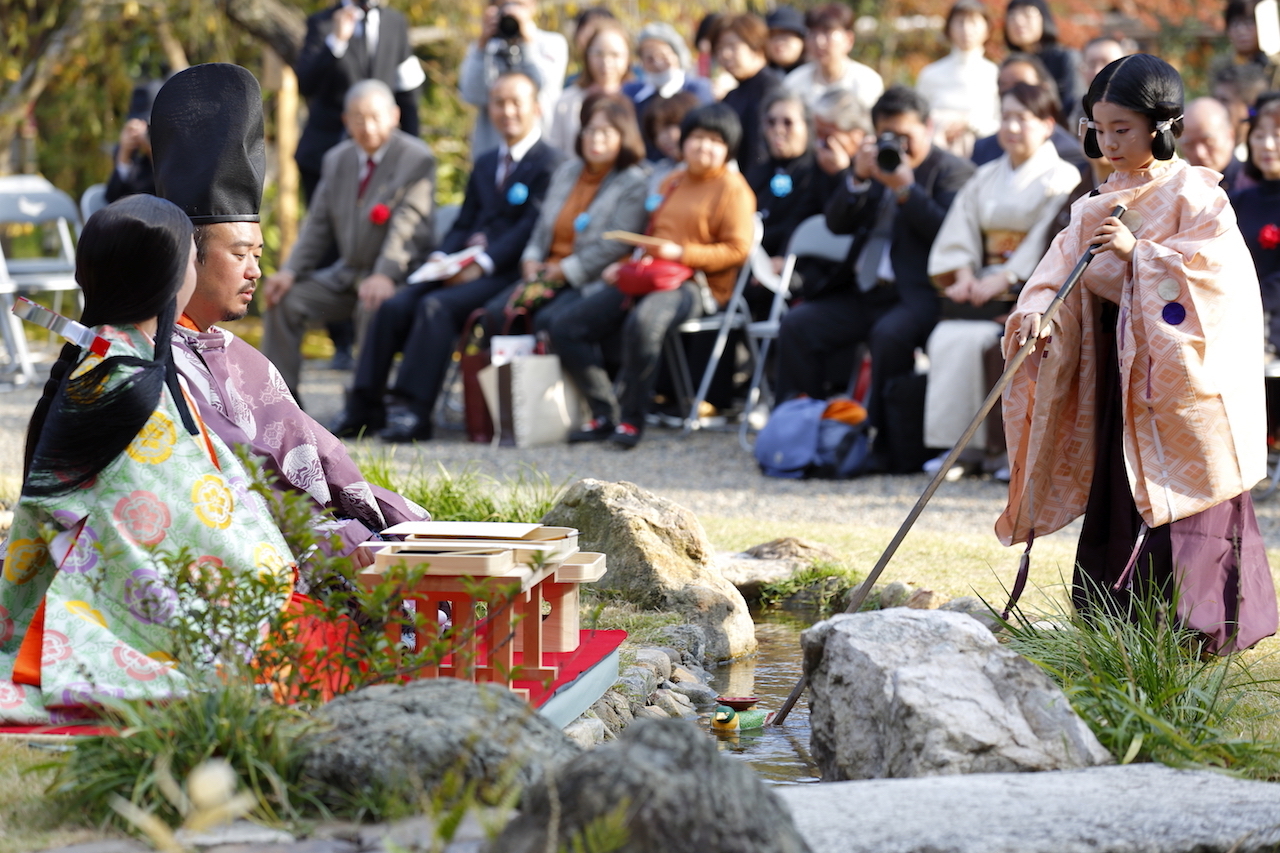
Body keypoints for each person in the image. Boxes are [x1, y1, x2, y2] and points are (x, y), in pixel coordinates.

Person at [999, 54, 1277, 654]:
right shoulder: (1094, 201)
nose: (1108, 142)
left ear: (1159, 125)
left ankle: (1193, 628)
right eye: (1098, 129)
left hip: (1179, 387)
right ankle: (1111, 621)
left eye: (1121, 129)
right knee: (1118, 495)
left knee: (1184, 504)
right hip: (1117, 378)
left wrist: (1140, 255)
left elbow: (1217, 285)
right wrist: (1039, 315)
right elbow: (1053, 276)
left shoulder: (1199, 196)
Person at [0, 194, 295, 724]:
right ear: (168, 277)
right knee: (311, 650)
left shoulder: (104, 361)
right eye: (190, 258)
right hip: (80, 618)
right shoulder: (125, 378)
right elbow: (200, 532)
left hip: (64, 596)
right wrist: (271, 563)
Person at [151, 63, 430, 568]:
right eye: (240, 255)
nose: (255, 270)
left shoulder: (241, 357)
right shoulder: (146, 358)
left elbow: (315, 453)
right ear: (185, 255)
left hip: (384, 275)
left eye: (259, 254)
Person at [335, 71, 563, 442]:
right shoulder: (487, 161)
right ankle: (364, 407)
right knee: (393, 304)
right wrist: (442, 257)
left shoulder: (551, 164)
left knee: (435, 307)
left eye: (515, 103)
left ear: (535, 108)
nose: (506, 111)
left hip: (507, 272)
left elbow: (530, 229)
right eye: (499, 103)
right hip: (463, 265)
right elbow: (465, 220)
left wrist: (480, 265)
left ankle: (412, 410)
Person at [774, 86, 975, 473]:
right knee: (799, 324)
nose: (896, 146)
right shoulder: (873, 165)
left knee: (890, 335)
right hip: (861, 290)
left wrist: (905, 188)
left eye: (905, 137)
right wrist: (857, 179)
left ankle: (885, 446)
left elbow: (948, 233)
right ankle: (803, 432)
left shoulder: (952, 171)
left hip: (916, 295)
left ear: (928, 127)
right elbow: (836, 223)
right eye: (888, 137)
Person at [550, 103, 755, 449]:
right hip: (650, 275)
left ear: (729, 148)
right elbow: (652, 233)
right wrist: (626, 263)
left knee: (644, 324)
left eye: (715, 141)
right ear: (684, 141)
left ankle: (632, 419)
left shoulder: (733, 189)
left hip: (696, 286)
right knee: (566, 326)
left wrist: (684, 254)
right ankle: (604, 412)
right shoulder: (672, 180)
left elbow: (737, 250)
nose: (704, 147)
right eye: (697, 138)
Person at [923, 82, 1080, 478]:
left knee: (988, 343)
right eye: (1005, 117)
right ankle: (961, 449)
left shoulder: (1061, 177)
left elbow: (1052, 237)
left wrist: (1009, 276)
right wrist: (961, 273)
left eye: (1021, 119)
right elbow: (962, 227)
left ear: (1047, 125)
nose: (1011, 127)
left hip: (1030, 288)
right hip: (982, 285)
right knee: (947, 338)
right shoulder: (986, 175)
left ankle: (1003, 450)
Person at [260, 79, 436, 399]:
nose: (367, 126)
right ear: (345, 121)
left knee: (374, 301)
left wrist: (385, 274)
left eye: (375, 117)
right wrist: (289, 271)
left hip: (398, 274)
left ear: (394, 116)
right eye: (357, 117)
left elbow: (408, 229)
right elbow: (318, 225)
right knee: (283, 299)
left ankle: (365, 401)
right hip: (346, 271)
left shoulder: (415, 157)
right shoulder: (336, 160)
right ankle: (281, 400)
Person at [482, 93, 649, 337]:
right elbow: (542, 227)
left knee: (548, 321)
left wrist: (564, 270)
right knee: (495, 314)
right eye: (590, 131)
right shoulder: (567, 171)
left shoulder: (633, 183)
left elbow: (613, 245)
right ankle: (509, 377)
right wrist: (530, 260)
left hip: (586, 279)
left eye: (606, 133)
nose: (596, 140)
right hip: (545, 272)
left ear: (624, 138)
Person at [295, 0, 424, 203]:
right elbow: (307, 84)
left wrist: (412, 149)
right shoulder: (323, 22)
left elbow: (407, 91)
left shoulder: (395, 22)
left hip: (381, 154)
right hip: (326, 152)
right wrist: (335, 42)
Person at [747, 91, 831, 302]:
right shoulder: (760, 170)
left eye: (788, 122)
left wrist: (783, 259)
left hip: (801, 266)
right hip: (756, 258)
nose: (778, 130)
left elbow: (803, 225)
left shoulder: (817, 170)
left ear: (807, 127)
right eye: (771, 122)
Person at [459, 0, 569, 159]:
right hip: (492, 155)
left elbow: (542, 88)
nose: (511, 11)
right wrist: (482, 45)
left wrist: (527, 44)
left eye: (518, 4)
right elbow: (472, 94)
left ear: (533, 6)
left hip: (538, 157)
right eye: (504, 5)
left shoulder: (551, 43)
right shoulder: (483, 48)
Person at [971, 54, 1089, 174]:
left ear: (1044, 87)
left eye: (1021, 85)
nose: (1012, 92)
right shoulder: (983, 148)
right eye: (1003, 85)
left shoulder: (1069, 153)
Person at [916, 0, 1000, 158]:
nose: (966, 29)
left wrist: (969, 125)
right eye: (960, 22)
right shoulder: (930, 74)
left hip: (985, 155)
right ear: (949, 29)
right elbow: (918, 120)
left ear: (987, 29)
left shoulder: (995, 74)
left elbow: (1001, 122)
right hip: (936, 156)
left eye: (974, 22)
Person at [1230, 92, 1280, 355]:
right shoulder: (1235, 202)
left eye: (1278, 136)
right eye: (1260, 136)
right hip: (1240, 333)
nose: (1267, 145)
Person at [623, 23, 714, 161]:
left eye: (664, 56)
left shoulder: (697, 88)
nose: (658, 63)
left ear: (677, 55)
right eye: (649, 59)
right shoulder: (632, 93)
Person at [547, 20, 632, 156]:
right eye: (599, 54)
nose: (606, 62)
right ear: (587, 56)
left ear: (628, 57)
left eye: (615, 55)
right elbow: (556, 150)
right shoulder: (567, 101)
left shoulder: (637, 98)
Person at [713, 13, 784, 173]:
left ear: (756, 47)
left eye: (732, 46)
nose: (724, 55)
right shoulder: (732, 95)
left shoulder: (771, 88)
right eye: (719, 49)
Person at [784, 4, 884, 113]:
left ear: (849, 39)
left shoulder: (866, 82)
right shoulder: (794, 82)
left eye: (827, 33)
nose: (819, 42)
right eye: (813, 33)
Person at [1002, 0, 1080, 124]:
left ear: (1044, 18)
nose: (1018, 21)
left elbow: (1075, 104)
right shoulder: (1008, 66)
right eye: (1012, 15)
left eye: (1027, 14)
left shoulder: (1065, 58)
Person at [104, 80, 162, 203]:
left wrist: (154, 152)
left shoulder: (175, 150)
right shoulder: (133, 155)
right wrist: (124, 155)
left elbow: (167, 192)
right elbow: (112, 198)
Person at [1181, 96, 1253, 194]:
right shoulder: (1179, 189)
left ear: (1230, 136)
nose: (1199, 153)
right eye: (1189, 145)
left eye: (1208, 142)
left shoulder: (1250, 184)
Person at [641, 91, 701, 189]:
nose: (662, 138)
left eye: (667, 127)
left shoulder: (714, 171)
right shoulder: (659, 171)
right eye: (656, 133)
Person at [1212, 63, 1269, 157]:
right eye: (1215, 99)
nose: (1215, 106)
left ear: (1250, 108)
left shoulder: (1261, 161)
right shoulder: (1204, 154)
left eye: (1224, 100)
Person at [765, 7, 807, 75]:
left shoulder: (816, 73)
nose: (779, 42)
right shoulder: (761, 77)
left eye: (785, 34)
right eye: (772, 35)